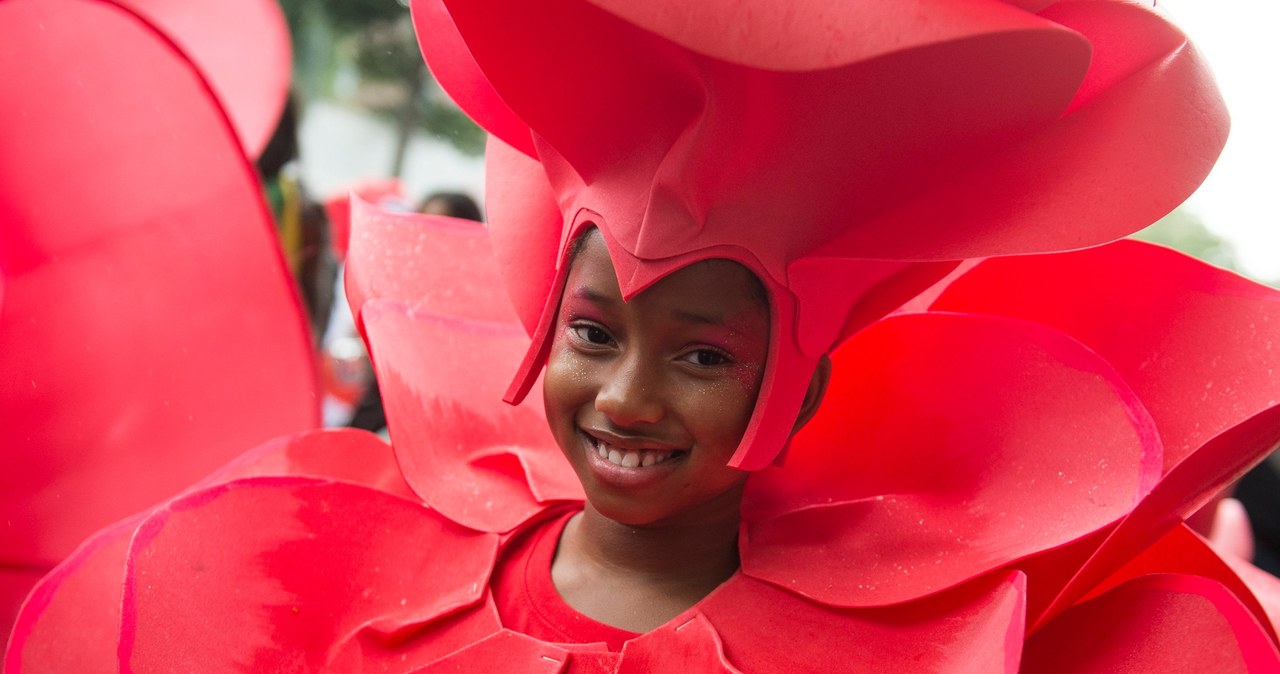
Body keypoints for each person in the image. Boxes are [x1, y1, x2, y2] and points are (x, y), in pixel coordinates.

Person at [9, 0, 1280, 671]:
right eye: (590, 328)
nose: (624, 393)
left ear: (796, 379)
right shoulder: (339, 571)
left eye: (703, 353)